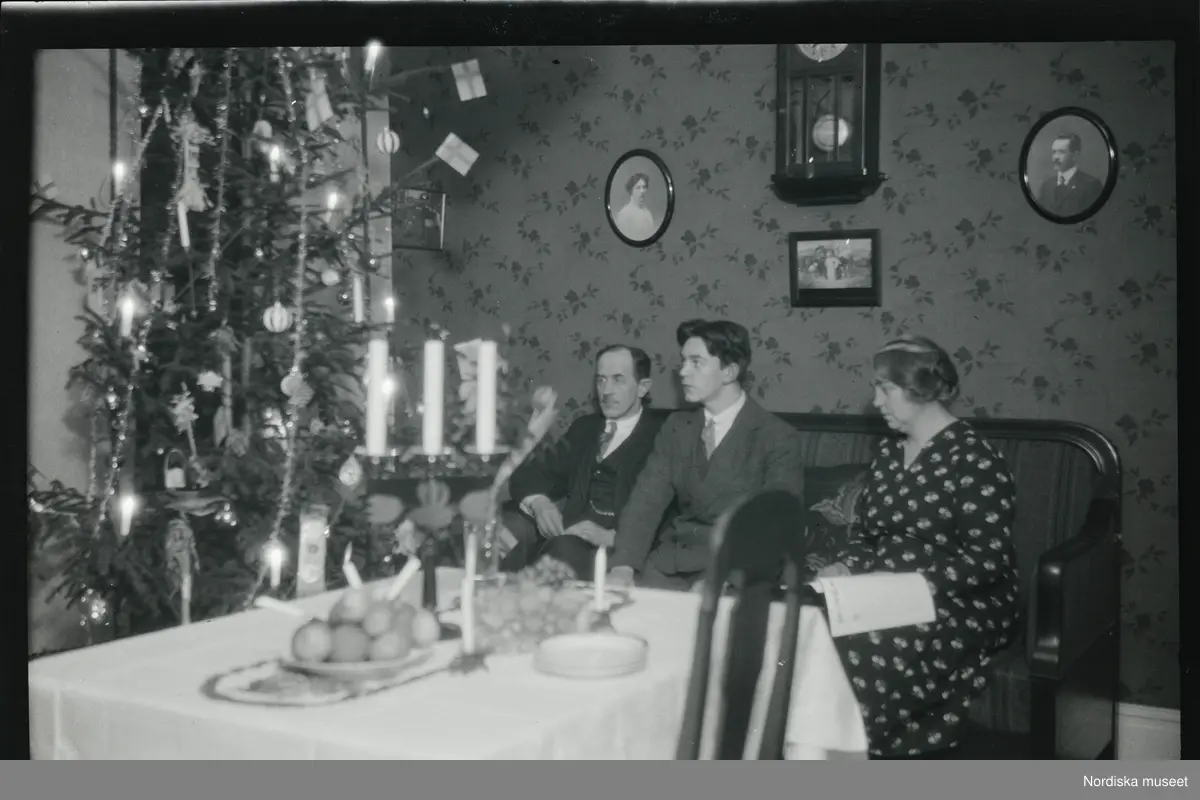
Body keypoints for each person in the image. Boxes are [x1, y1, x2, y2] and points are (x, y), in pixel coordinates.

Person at [816, 334, 1020, 759]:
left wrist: (913, 585)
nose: (876, 401)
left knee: (873, 643)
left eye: (885, 388)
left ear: (921, 389)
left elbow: (989, 559)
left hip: (960, 596)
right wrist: (846, 567)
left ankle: (855, 754)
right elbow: (868, 535)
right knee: (810, 622)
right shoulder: (889, 453)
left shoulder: (975, 458)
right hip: (881, 586)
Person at [606, 319, 806, 591]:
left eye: (696, 363)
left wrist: (725, 579)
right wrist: (623, 566)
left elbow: (777, 526)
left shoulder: (776, 436)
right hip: (671, 564)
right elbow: (645, 502)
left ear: (729, 371)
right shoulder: (677, 428)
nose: (683, 372)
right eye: (683, 361)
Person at [500, 344, 667, 579]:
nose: (606, 391)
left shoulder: (666, 434)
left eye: (618, 380)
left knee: (562, 552)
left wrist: (615, 538)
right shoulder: (585, 428)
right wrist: (540, 503)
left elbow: (678, 509)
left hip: (617, 552)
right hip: (565, 538)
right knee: (499, 532)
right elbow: (529, 473)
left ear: (642, 387)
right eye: (601, 380)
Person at [1034, 131, 1103, 217]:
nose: (1055, 157)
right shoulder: (1047, 185)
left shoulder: (1091, 185)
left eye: (1061, 152)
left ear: (1075, 156)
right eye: (1054, 152)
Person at [613, 172, 657, 240]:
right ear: (631, 191)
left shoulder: (648, 212)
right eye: (638, 188)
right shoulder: (624, 214)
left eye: (644, 187)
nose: (642, 191)